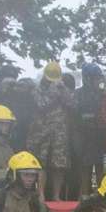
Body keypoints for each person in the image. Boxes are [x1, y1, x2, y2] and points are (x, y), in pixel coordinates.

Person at [26, 61, 75, 200]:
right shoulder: (36, 90)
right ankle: (40, 193)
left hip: (59, 133)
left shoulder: (62, 88)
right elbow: (42, 105)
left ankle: (56, 195)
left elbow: (72, 105)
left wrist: (63, 90)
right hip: (41, 133)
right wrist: (53, 92)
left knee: (59, 165)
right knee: (42, 163)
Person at [75, 63, 106, 197]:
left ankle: (101, 198)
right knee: (84, 172)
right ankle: (83, 200)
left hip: (100, 137)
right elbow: (75, 115)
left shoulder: (103, 95)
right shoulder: (78, 94)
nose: (98, 81)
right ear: (87, 78)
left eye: (99, 78)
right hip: (84, 137)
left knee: (101, 170)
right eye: (95, 78)